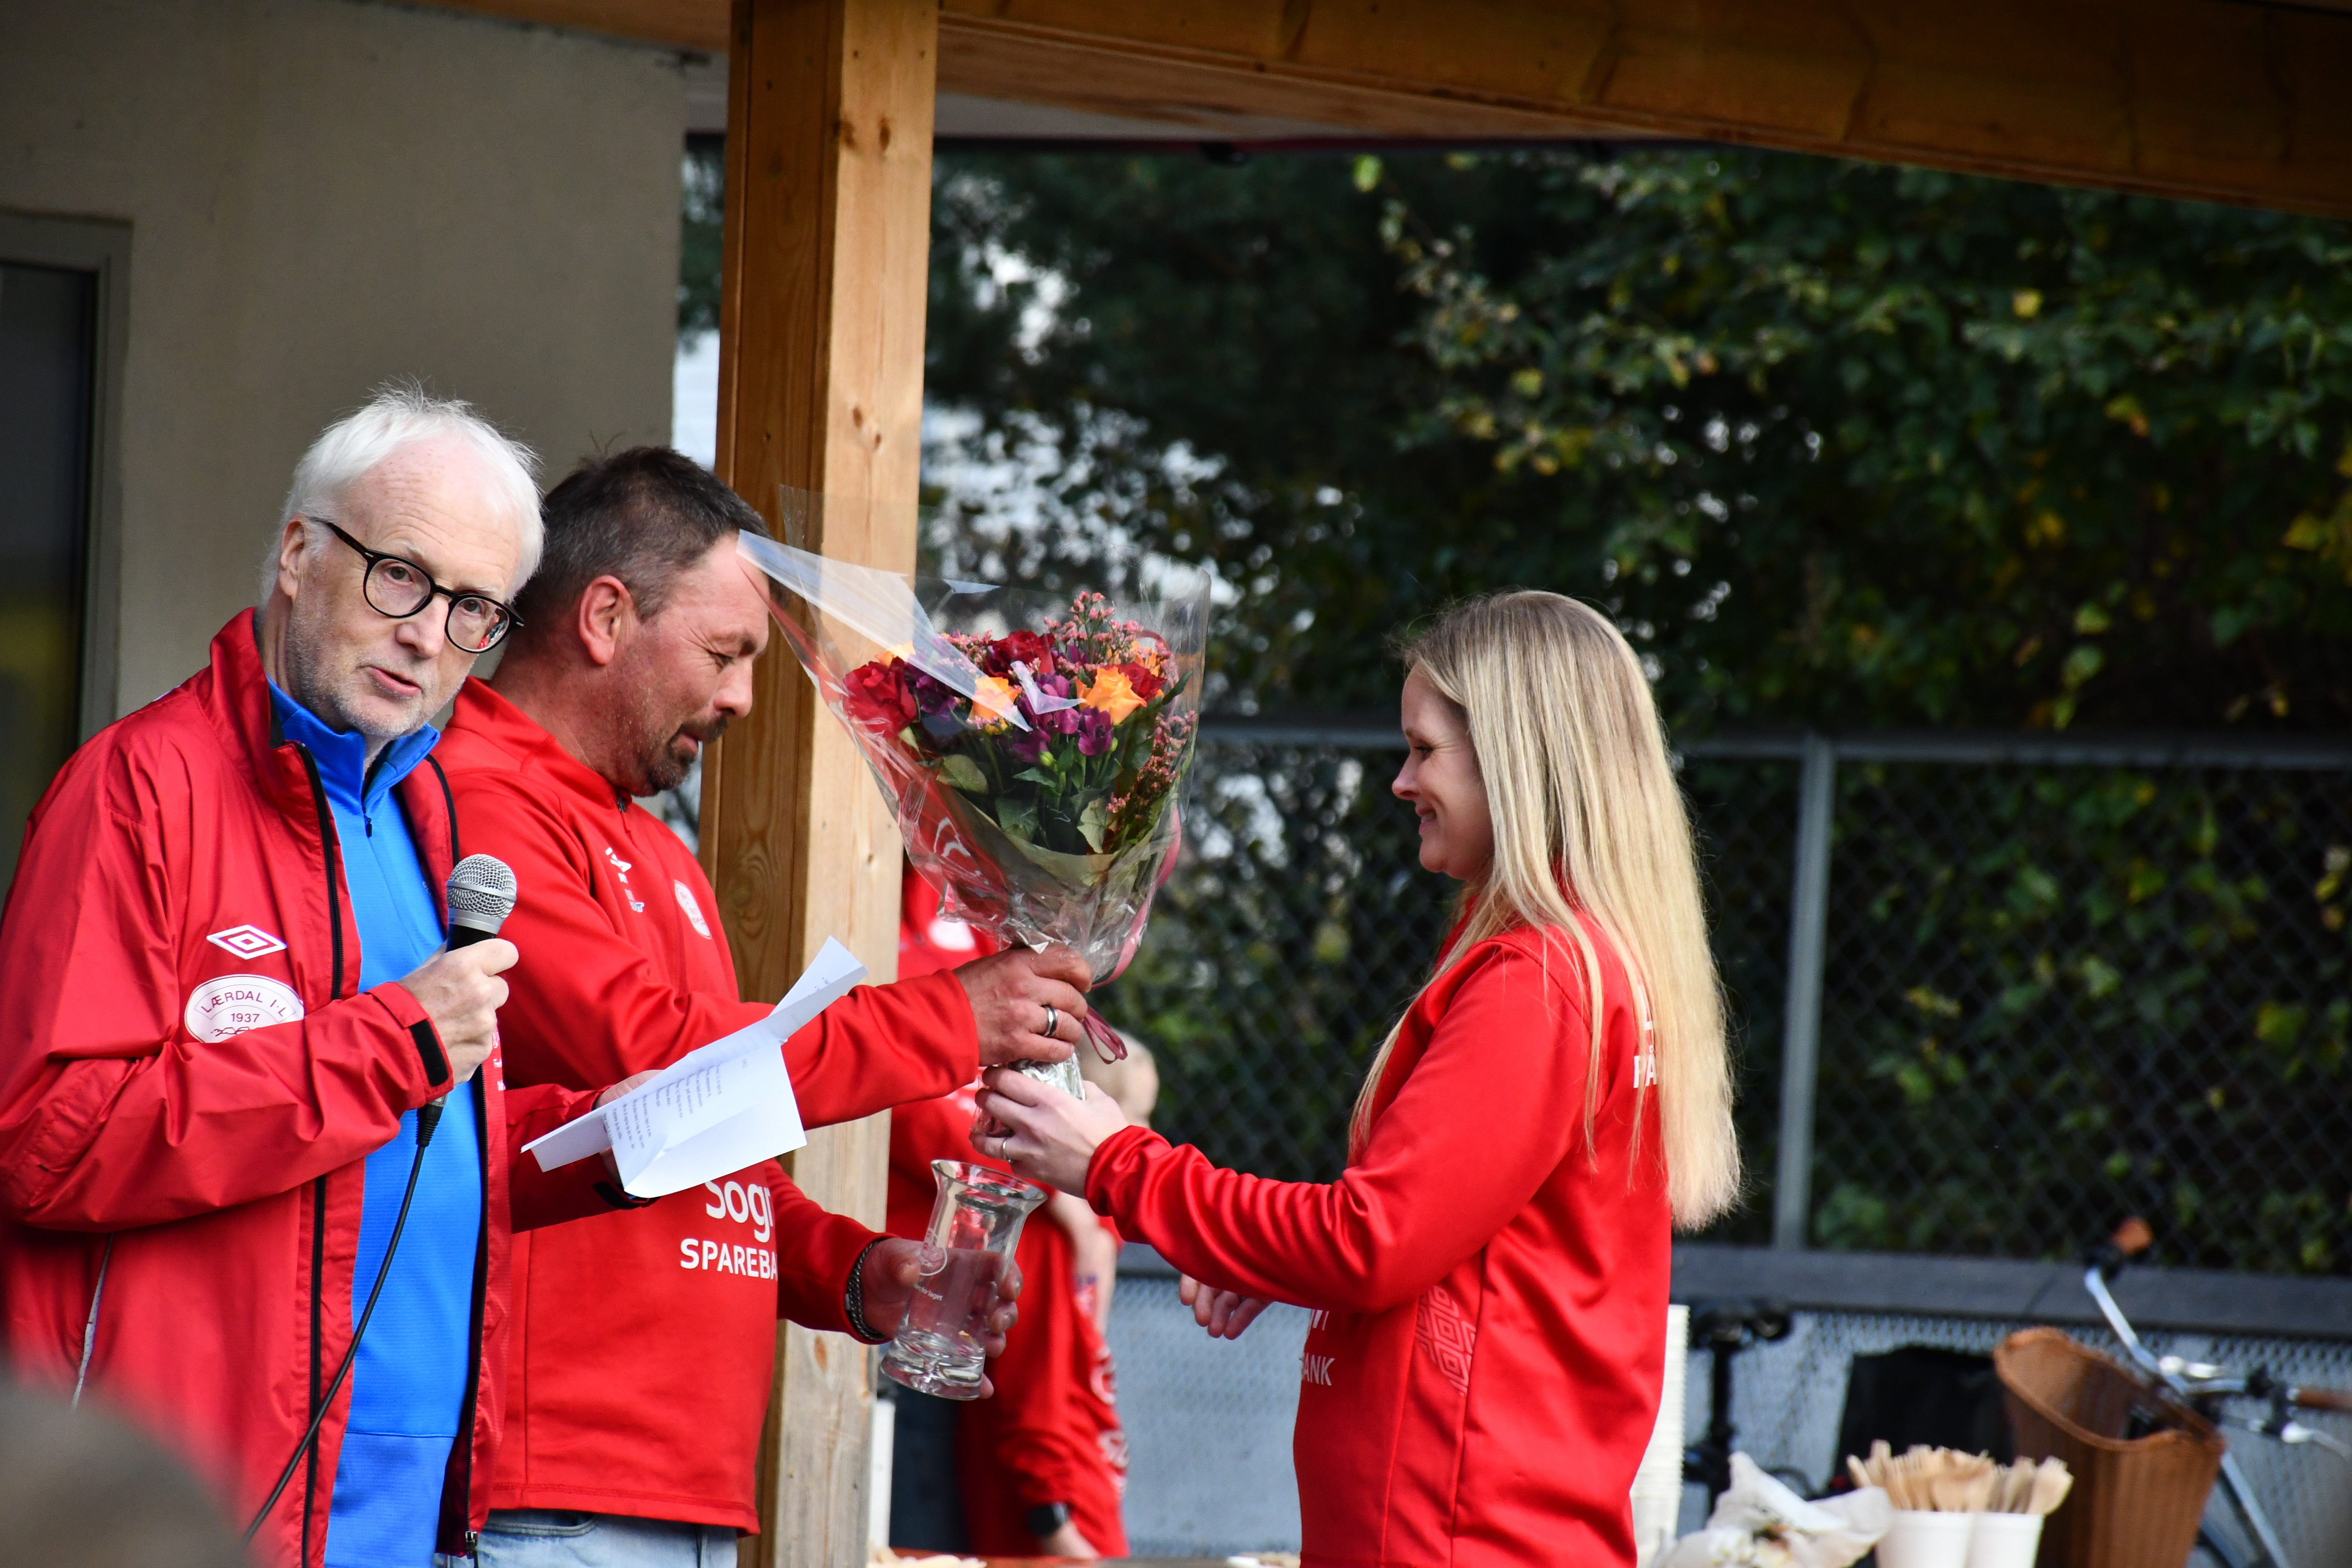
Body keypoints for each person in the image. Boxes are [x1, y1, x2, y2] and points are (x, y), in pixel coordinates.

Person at [0, 387, 645, 1568]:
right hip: (199, 1504)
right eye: (402, 576)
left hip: (416, 1508)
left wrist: (610, 1140)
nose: (425, 634)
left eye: (471, 612)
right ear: (300, 551)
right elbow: (47, 1142)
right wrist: (387, 1042)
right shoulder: (138, 791)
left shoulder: (434, 813)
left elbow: (405, 1137)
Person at [975, 590, 1743, 1567]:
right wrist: (1271, 1256)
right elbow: (1436, 1243)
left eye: (1423, 749)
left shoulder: (1540, 976)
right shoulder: (1587, 961)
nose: (1400, 780)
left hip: (1452, 1531)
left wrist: (1117, 1164)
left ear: (1517, 754)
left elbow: (1373, 1241)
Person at [430, 447, 1090, 1566]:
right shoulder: (477, 796)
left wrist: (853, 1270)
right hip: (548, 1490)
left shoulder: (658, 852)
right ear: (604, 616)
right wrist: (947, 1022)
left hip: (683, 1489)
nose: (740, 695)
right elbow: (653, 1067)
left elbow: (704, 1150)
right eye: (726, 653)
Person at [884, 867, 1134, 1562]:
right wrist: (1061, 1190)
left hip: (992, 1284)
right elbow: (890, 1082)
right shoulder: (871, 889)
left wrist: (1085, 1196)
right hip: (899, 1274)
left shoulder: (997, 907)